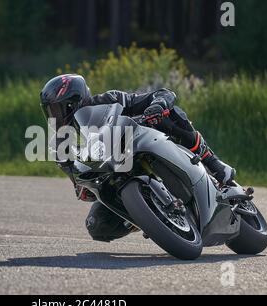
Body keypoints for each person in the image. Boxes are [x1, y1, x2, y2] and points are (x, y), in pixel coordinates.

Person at [40, 74, 235, 242]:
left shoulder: (110, 100)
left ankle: (214, 163)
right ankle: (147, 218)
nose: (54, 116)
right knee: (97, 226)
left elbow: (163, 93)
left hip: (142, 145)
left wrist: (157, 105)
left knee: (171, 115)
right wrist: (82, 187)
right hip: (111, 177)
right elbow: (75, 179)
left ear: (75, 101)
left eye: (58, 109)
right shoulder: (61, 144)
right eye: (50, 112)